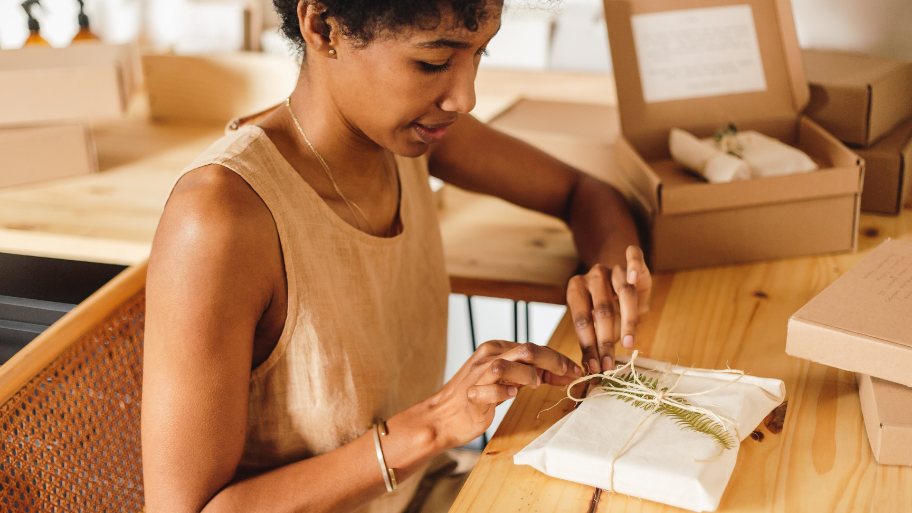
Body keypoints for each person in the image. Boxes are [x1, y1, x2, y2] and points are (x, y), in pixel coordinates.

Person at [141, 0, 653, 511]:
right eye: (433, 63)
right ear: (323, 27)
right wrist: (431, 427)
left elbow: (583, 193)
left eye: (480, 54)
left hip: (423, 492)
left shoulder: (410, 134)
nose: (465, 97)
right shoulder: (220, 219)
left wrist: (607, 276)